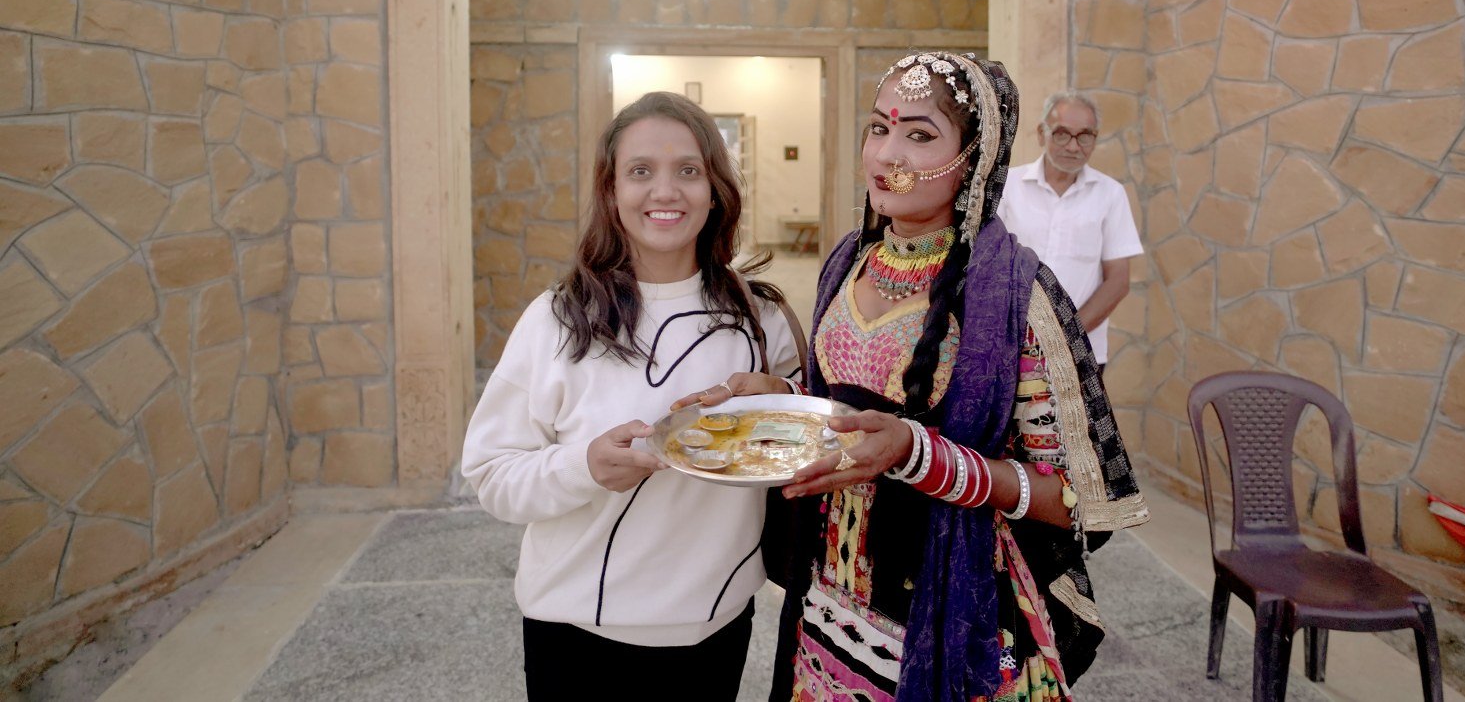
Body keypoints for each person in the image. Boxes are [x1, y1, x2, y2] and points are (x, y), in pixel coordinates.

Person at [689, 53, 1147, 701]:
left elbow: (1068, 497)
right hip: (831, 601)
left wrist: (915, 454)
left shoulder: (1016, 294)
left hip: (952, 609)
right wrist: (782, 396)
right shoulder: (849, 261)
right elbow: (845, 409)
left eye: (920, 135)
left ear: (977, 159)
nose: (886, 154)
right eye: (878, 128)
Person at [461, 91, 803, 701]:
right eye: (640, 171)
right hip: (577, 632)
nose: (665, 192)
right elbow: (491, 474)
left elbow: (802, 436)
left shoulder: (762, 317)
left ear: (717, 189)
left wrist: (782, 397)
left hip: (718, 623)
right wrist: (584, 465)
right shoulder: (557, 320)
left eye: (689, 171)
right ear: (611, 190)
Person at [998, 92, 1143, 381]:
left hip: (1081, 350)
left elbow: (1118, 281)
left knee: (1079, 427)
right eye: (1062, 134)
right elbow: (988, 264)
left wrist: (1065, 335)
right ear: (1042, 134)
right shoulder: (1007, 187)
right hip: (1010, 346)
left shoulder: (1110, 194)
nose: (1074, 146)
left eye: (1085, 136)